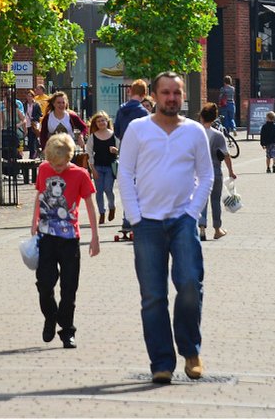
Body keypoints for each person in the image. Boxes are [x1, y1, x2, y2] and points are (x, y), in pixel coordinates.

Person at [118, 71, 213, 385]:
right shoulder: (138, 129)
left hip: (182, 220)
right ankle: (161, 362)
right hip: (147, 223)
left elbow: (206, 175)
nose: (172, 98)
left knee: (190, 285)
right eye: (166, 92)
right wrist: (135, 216)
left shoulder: (194, 132)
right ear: (155, 96)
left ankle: (190, 350)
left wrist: (192, 213)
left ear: (183, 96)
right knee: (153, 296)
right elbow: (125, 173)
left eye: (177, 93)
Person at [32, 131, 99, 349]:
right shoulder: (44, 169)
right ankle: (50, 317)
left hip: (70, 238)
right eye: (53, 164)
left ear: (69, 157)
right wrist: (33, 222)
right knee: (44, 283)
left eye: (60, 165)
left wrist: (95, 237)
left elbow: (90, 205)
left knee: (69, 287)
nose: (56, 168)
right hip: (46, 236)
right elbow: (39, 196)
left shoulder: (80, 174)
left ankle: (67, 330)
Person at [113, 80, 152, 240]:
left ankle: (126, 220)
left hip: (125, 148)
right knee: (141, 185)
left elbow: (116, 131)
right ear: (144, 94)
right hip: (141, 151)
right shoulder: (143, 113)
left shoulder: (121, 109)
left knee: (126, 183)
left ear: (130, 91)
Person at [198, 102, 237, 240]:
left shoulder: (196, 133)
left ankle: (202, 228)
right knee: (215, 199)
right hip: (214, 170)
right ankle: (217, 229)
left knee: (202, 200)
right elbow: (226, 155)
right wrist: (231, 171)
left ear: (201, 117)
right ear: (214, 118)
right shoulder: (218, 135)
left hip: (199, 171)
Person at [84, 112, 118, 224]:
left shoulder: (114, 135)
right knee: (99, 191)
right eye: (98, 121)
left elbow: (122, 150)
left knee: (108, 189)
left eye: (103, 120)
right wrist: (92, 169)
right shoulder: (93, 137)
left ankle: (112, 207)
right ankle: (101, 213)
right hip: (97, 166)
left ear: (107, 121)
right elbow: (89, 153)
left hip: (110, 166)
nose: (101, 123)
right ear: (95, 124)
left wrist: (116, 151)